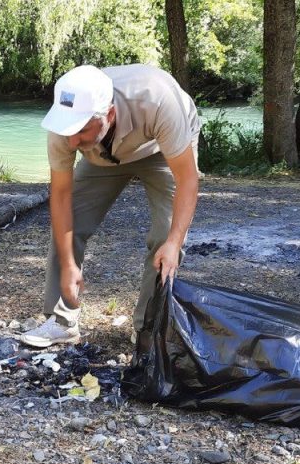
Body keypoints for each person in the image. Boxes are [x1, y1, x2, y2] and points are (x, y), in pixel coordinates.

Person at [19, 64, 201, 348]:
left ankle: (147, 329)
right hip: (102, 155)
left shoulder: (158, 101)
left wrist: (175, 241)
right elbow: (62, 195)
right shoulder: (64, 129)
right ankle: (62, 321)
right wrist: (68, 264)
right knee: (70, 224)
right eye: (67, 131)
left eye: (80, 130)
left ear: (109, 114)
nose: (71, 141)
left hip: (159, 147)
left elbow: (188, 180)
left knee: (166, 236)